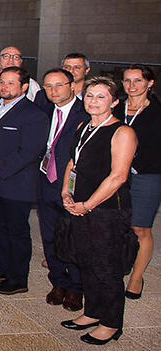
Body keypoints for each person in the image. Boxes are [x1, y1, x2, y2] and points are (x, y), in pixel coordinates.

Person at [58, 76, 138, 345]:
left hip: (107, 212)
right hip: (79, 205)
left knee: (107, 268)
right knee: (86, 262)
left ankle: (112, 323)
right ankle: (92, 311)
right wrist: (66, 192)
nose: (93, 101)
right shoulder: (84, 126)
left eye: (101, 96)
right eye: (90, 95)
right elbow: (73, 162)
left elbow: (118, 177)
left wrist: (88, 205)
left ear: (115, 101)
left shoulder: (122, 132)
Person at [0, 67, 49, 295]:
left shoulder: (33, 115)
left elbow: (28, 152)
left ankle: (18, 279)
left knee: (16, 233)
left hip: (15, 184)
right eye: (2, 82)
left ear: (24, 87)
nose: (4, 87)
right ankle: (3, 268)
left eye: (11, 83)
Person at [36, 68, 88, 311]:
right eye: (48, 86)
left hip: (73, 186)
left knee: (74, 238)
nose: (53, 91)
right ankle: (58, 281)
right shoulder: (44, 111)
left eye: (59, 85)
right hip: (46, 181)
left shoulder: (85, 113)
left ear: (73, 86)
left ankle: (77, 288)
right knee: (50, 236)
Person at [113, 65, 159, 300]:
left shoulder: (156, 112)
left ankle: (136, 277)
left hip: (146, 175)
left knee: (140, 227)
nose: (132, 86)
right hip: (115, 174)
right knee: (116, 225)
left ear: (149, 83)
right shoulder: (116, 108)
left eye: (138, 80)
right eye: (127, 81)